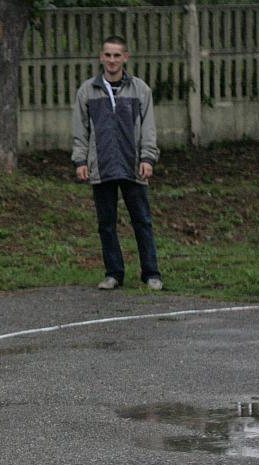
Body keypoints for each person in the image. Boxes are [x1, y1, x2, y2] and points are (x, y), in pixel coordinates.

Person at [72, 35, 163, 291]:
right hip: (101, 166)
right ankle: (114, 273)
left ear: (125, 57)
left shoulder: (141, 90)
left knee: (142, 221)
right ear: (101, 57)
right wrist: (80, 160)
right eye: (107, 55)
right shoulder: (87, 91)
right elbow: (81, 130)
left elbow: (149, 128)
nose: (112, 60)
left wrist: (147, 158)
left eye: (116, 55)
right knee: (106, 224)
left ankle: (151, 273)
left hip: (133, 165)